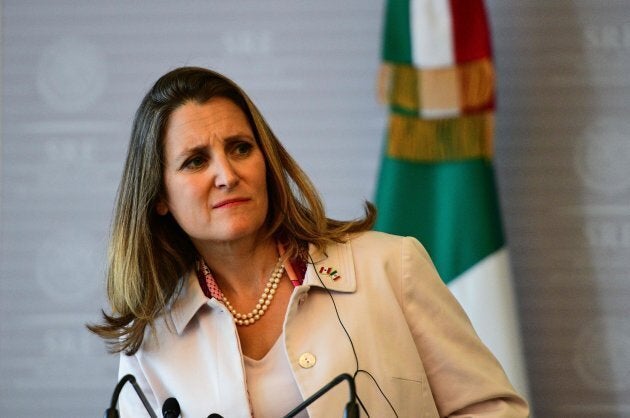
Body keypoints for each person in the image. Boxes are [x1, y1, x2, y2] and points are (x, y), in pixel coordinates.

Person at [89, 66, 529, 417]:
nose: (227, 175)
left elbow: (492, 409)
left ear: (266, 161)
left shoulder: (392, 266)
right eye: (196, 161)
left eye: (241, 148)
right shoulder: (150, 343)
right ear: (160, 196)